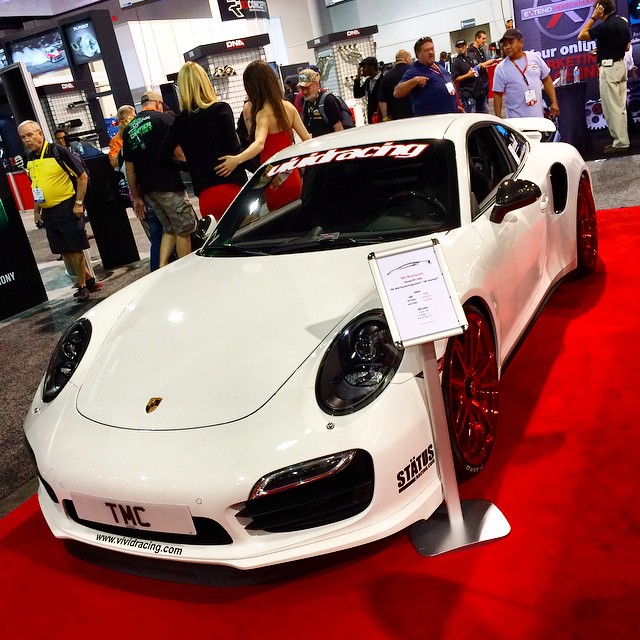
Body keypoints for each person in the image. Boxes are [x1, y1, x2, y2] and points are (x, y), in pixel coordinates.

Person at [215, 60, 310, 210]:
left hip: (271, 177)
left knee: (278, 221)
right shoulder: (288, 107)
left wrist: (237, 159)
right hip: (292, 175)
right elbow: (307, 140)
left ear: (254, 87)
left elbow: (259, 144)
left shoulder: (263, 114)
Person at [158, 61, 247, 220]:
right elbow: (235, 149)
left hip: (207, 196)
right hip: (233, 187)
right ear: (205, 82)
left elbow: (162, 157)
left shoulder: (180, 121)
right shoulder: (221, 109)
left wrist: (191, 167)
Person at [18, 120, 92, 302]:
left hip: (66, 207)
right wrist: (37, 211)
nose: (27, 140)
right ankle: (88, 279)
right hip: (48, 212)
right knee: (63, 250)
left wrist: (78, 203)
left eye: (30, 135)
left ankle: (83, 286)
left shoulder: (58, 151)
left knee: (75, 248)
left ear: (40, 133)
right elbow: (36, 185)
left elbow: (82, 177)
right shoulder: (29, 157)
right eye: (23, 137)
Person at [123, 90, 197, 267]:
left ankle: (161, 267)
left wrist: (137, 197)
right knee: (184, 229)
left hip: (148, 190)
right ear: (158, 103)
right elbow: (179, 152)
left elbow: (129, 168)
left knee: (169, 229)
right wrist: (194, 171)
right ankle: (187, 270)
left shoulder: (129, 129)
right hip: (169, 184)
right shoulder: (163, 119)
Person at [578, 0, 631, 153]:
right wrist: (603, 48)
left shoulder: (605, 25)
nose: (594, 11)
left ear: (601, 9)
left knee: (611, 107)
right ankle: (623, 140)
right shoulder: (622, 21)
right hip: (620, 65)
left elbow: (581, 36)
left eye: (596, 9)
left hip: (609, 68)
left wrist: (593, 18)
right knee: (620, 107)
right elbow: (627, 46)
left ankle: (620, 143)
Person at [492, 28, 559, 119]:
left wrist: (554, 102)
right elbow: (497, 95)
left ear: (521, 42)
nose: (507, 47)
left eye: (511, 43)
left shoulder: (534, 58)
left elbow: (546, 80)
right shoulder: (500, 68)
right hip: (517, 122)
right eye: (504, 44)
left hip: (538, 118)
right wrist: (498, 120)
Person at [393, 36, 459, 116]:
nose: (431, 52)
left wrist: (455, 107)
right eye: (426, 50)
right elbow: (397, 92)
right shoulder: (415, 70)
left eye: (432, 49)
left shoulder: (439, 65)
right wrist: (415, 80)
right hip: (433, 119)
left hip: (451, 114)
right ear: (418, 54)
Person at [298, 67, 343, 136]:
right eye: (302, 88)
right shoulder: (305, 101)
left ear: (316, 83)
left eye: (307, 87)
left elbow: (338, 128)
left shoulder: (328, 100)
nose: (304, 91)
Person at [451, 39, 490, 113]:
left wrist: (482, 68)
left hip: (480, 92)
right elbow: (454, 79)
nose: (460, 49)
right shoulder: (456, 63)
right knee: (472, 117)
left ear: (466, 46)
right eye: (458, 47)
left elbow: (480, 65)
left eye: (462, 46)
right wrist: (467, 75)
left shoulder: (472, 55)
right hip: (468, 95)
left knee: (485, 115)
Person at [466, 30, 499, 113]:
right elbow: (477, 66)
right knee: (483, 109)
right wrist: (490, 62)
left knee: (486, 105)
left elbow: (483, 64)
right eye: (483, 38)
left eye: (485, 39)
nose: (484, 41)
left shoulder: (481, 50)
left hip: (485, 81)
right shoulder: (470, 51)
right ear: (477, 38)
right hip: (478, 84)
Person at [378, 49, 414, 121]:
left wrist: (385, 118)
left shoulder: (387, 76)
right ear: (406, 59)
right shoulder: (413, 71)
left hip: (396, 117)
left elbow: (382, 100)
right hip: (414, 114)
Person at [353, 56, 384, 123]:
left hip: (382, 117)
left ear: (372, 67)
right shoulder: (368, 81)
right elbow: (357, 94)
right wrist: (357, 79)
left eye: (365, 68)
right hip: (371, 118)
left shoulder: (383, 80)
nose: (363, 70)